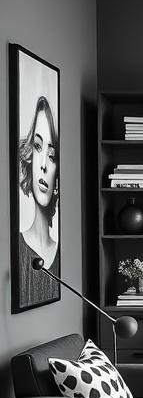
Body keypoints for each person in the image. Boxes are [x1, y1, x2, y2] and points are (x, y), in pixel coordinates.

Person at [18, 95, 60, 309]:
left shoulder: (62, 255)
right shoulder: (18, 250)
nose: (43, 164)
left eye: (52, 156)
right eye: (37, 146)